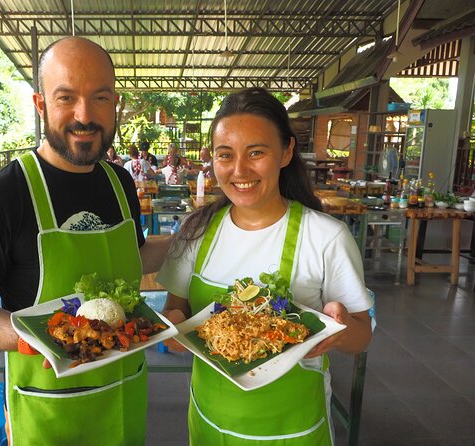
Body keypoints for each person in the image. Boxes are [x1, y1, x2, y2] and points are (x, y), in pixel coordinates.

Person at [0, 36, 171, 446]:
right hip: (47, 407)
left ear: (114, 102)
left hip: (125, 396)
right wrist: (40, 338)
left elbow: (133, 258)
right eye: (66, 97)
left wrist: (199, 236)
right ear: (41, 103)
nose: (85, 115)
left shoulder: (119, 182)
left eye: (100, 98)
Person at [156, 87, 373, 445]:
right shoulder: (196, 231)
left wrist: (341, 328)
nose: (239, 170)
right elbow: (177, 307)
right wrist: (174, 328)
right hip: (209, 422)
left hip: (292, 429)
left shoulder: (325, 237)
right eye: (225, 155)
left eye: (256, 152)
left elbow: (362, 337)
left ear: (286, 151)